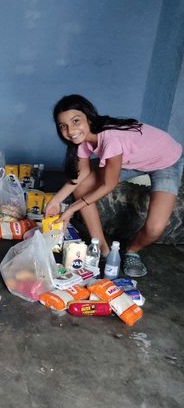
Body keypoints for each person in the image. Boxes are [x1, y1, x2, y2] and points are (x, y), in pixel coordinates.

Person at [45, 94, 183, 277]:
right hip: (131, 160)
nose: (70, 131)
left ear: (89, 117)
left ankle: (132, 251)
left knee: (155, 228)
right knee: (82, 186)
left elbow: (108, 185)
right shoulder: (83, 141)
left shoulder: (111, 140)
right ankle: (102, 248)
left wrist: (70, 209)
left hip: (166, 161)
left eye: (76, 121)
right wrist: (56, 201)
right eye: (63, 126)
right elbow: (81, 174)